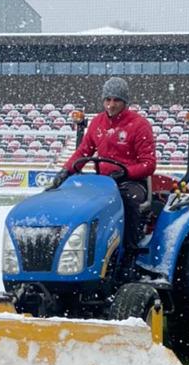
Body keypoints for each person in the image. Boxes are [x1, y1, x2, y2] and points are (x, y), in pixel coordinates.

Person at [47, 77, 157, 262]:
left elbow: (149, 164)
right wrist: (66, 171)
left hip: (130, 182)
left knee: (127, 200)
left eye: (116, 100)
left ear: (125, 102)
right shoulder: (98, 122)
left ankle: (130, 251)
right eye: (108, 100)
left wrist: (126, 172)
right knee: (77, 202)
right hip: (103, 181)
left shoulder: (139, 125)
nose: (111, 105)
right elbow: (83, 151)